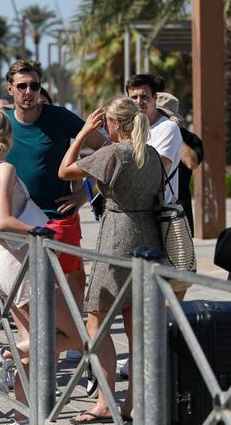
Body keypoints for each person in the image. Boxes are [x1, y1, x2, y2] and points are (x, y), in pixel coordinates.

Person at [0, 60, 107, 356]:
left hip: (57, 222)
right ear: (10, 89)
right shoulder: (2, 125)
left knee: (67, 304)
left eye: (34, 86)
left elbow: (106, 151)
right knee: (29, 319)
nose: (29, 92)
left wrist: (84, 193)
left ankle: (44, 366)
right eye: (22, 86)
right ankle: (29, 377)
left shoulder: (61, 117)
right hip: (16, 233)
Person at [58, 97, 163, 424]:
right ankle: (131, 404)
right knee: (136, 327)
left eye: (106, 123)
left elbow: (65, 171)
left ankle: (105, 402)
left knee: (97, 321)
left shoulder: (114, 152)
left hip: (117, 236)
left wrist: (83, 133)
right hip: (148, 237)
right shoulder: (152, 154)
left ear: (114, 124)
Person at [0, 109, 82, 417]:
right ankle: (3, 355)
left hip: (4, 259)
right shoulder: (4, 169)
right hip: (22, 258)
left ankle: (23, 413)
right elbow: (5, 220)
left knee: (33, 339)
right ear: (8, 133)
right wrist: (37, 229)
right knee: (73, 334)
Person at [127, 74, 186, 298]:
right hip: (137, 214)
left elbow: (153, 168)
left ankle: (167, 330)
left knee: (170, 286)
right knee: (138, 290)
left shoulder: (166, 129)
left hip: (161, 216)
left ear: (155, 98)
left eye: (144, 96)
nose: (139, 102)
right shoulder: (130, 129)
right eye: (134, 97)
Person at [156, 92, 203, 232]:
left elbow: (191, 163)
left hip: (178, 207)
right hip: (152, 206)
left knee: (180, 253)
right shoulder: (149, 133)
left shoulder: (189, 139)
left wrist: (175, 134)